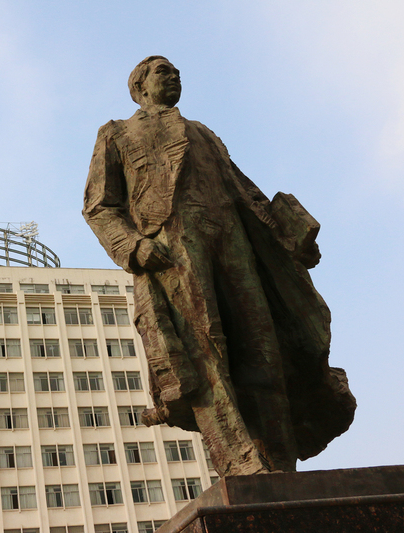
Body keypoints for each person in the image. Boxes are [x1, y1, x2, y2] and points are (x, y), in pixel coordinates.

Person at [83, 56, 355, 476]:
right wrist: (134, 247)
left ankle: (281, 463)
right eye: (162, 71)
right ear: (139, 86)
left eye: (176, 71)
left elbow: (246, 192)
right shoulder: (116, 133)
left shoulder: (203, 133)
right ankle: (239, 461)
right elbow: (100, 205)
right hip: (173, 245)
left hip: (232, 237)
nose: (174, 76)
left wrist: (290, 241)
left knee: (263, 348)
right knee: (203, 351)